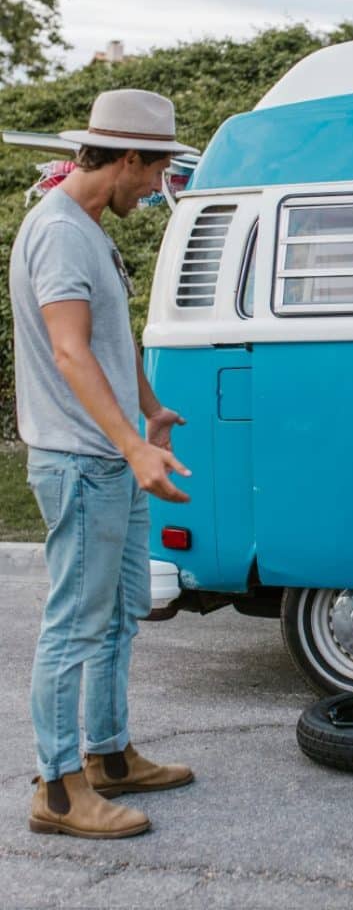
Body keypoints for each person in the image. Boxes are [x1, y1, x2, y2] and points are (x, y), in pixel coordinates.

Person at [9, 89, 199, 838]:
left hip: (114, 456)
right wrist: (130, 446)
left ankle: (109, 755)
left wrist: (149, 410)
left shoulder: (87, 226)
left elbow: (110, 341)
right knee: (74, 625)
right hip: (83, 462)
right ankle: (57, 790)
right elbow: (68, 350)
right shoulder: (57, 232)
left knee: (121, 615)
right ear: (125, 160)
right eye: (155, 174)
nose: (156, 189)